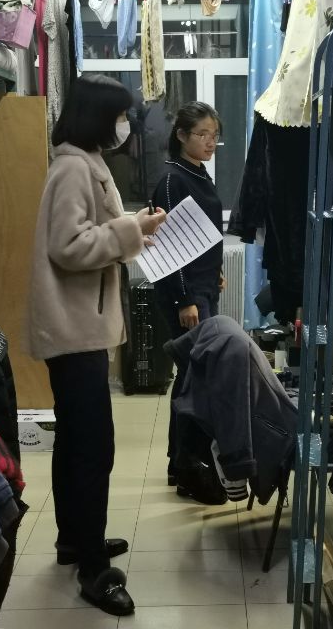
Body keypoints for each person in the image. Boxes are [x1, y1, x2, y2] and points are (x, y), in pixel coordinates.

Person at [27, 74, 165, 617]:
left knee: (77, 442)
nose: (125, 126)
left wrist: (133, 228)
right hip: (72, 328)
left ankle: (75, 539)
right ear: (99, 117)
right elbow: (67, 245)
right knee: (93, 448)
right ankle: (92, 569)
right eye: (120, 116)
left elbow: (90, 233)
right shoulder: (72, 168)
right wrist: (129, 229)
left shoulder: (85, 161)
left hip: (79, 324)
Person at [151, 101, 224, 490]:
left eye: (214, 135)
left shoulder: (198, 173)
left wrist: (216, 271)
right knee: (194, 378)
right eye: (202, 134)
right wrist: (185, 300)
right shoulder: (172, 179)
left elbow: (201, 235)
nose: (210, 142)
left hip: (203, 287)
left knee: (197, 376)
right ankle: (184, 464)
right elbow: (169, 246)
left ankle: (181, 461)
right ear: (181, 135)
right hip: (186, 294)